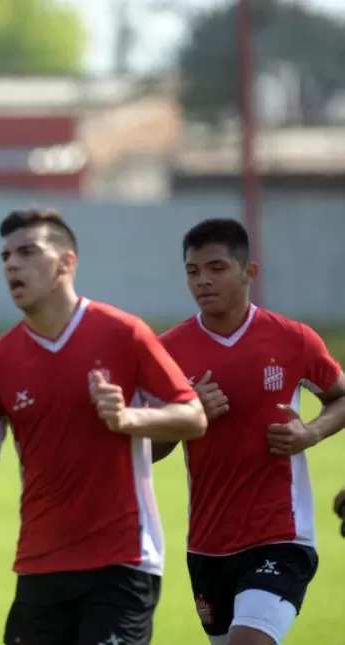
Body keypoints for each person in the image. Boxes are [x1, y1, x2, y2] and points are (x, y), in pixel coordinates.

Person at [0, 208, 207, 645]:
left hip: (122, 562)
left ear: (66, 263)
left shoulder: (123, 333)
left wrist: (127, 419)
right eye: (5, 255)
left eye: (27, 252)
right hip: (40, 566)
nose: (11, 264)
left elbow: (193, 416)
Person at [154, 218, 345, 645]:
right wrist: (188, 413)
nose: (203, 280)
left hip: (281, 535)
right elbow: (143, 451)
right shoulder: (166, 352)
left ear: (249, 272)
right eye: (193, 271)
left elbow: (341, 397)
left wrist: (311, 432)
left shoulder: (293, 340)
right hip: (207, 545)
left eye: (216, 268)